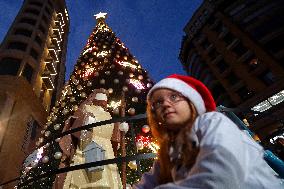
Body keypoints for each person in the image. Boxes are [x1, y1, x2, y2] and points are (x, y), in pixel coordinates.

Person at [134, 74, 283, 188]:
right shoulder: (168, 152)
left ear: (191, 101)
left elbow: (220, 174)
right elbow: (148, 183)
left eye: (174, 96)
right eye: (158, 102)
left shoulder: (212, 122)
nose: (165, 104)